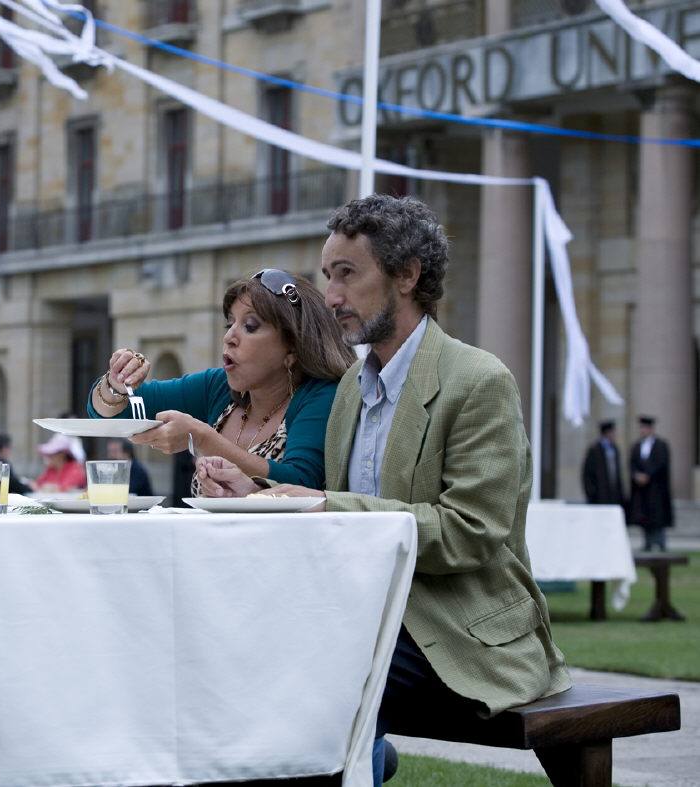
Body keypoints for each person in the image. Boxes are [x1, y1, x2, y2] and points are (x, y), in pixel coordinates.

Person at [198, 195, 570, 786]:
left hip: (455, 624)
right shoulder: (350, 388)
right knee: (228, 657)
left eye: (347, 275)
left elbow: (468, 535)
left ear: (406, 275)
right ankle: (371, 761)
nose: (332, 297)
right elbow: (330, 519)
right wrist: (253, 487)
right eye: (328, 277)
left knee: (316, 687)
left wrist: (322, 503)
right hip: (364, 612)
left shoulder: (478, 381)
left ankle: (362, 760)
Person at [87, 269, 353, 493]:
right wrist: (117, 384)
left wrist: (202, 437)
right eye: (230, 324)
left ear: (292, 347)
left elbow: (300, 482)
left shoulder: (320, 394)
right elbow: (113, 414)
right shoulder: (218, 388)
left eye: (249, 326)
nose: (230, 337)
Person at [629, 415, 673, 551]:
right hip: (642, 491)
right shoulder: (637, 446)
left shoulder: (661, 445)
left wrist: (648, 475)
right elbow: (632, 464)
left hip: (656, 489)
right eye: (641, 428)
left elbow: (662, 464)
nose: (643, 430)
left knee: (658, 519)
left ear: (651, 429)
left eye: (645, 428)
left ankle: (660, 542)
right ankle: (647, 542)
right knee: (645, 519)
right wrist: (636, 475)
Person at [581, 420, 625, 507]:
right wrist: (591, 492)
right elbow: (587, 473)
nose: (614, 435)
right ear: (607, 433)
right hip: (599, 494)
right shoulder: (594, 450)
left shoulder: (614, 449)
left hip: (613, 494)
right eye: (612, 432)